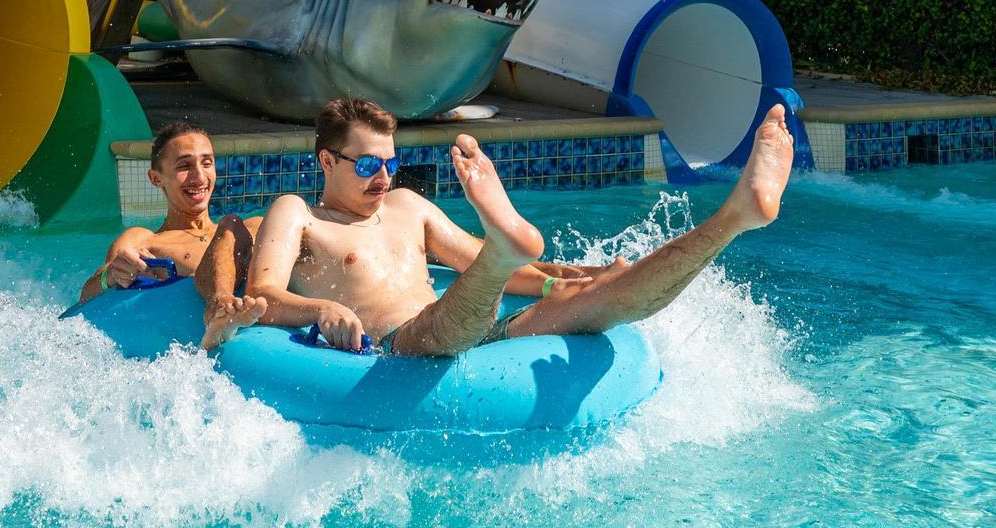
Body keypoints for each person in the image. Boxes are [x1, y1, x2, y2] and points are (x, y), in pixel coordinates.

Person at [245, 94, 794, 357]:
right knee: (462, 298)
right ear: (326, 162)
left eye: (389, 164)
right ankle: (502, 249)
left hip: (472, 329)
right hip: (399, 346)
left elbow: (505, 273)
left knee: (607, 295)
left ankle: (733, 217)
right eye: (367, 165)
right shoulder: (298, 213)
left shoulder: (409, 206)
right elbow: (261, 294)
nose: (382, 177)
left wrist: (566, 279)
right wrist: (322, 308)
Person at [78, 121, 266, 349]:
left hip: (260, 325)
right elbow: (88, 298)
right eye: (184, 166)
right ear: (156, 178)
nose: (199, 177)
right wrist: (112, 274)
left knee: (232, 224)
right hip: (187, 339)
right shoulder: (145, 240)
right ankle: (220, 308)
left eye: (207, 163)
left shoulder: (252, 228)